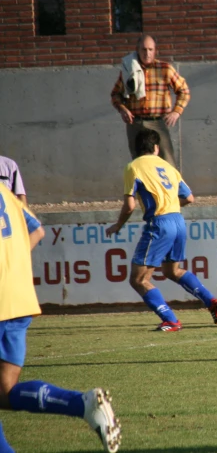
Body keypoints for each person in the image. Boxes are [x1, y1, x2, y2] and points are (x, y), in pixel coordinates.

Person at [0, 186, 121, 453]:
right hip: (18, 298)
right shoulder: (4, 191)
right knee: (5, 391)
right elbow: (38, 230)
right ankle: (82, 404)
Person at [105, 129, 217, 331]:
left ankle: (170, 320)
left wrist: (118, 225)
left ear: (136, 149)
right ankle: (211, 302)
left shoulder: (133, 167)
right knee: (173, 270)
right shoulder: (169, 167)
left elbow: (130, 206)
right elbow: (188, 198)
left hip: (160, 223)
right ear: (157, 148)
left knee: (139, 279)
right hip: (177, 220)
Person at [110, 34, 190, 168]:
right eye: (144, 49)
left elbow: (184, 91)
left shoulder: (165, 69)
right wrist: (122, 109)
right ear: (137, 50)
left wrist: (177, 112)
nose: (147, 53)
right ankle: (144, 189)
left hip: (157, 122)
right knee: (139, 164)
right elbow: (115, 94)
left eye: (150, 49)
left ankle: (173, 189)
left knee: (167, 163)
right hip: (135, 122)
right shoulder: (128, 70)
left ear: (155, 51)